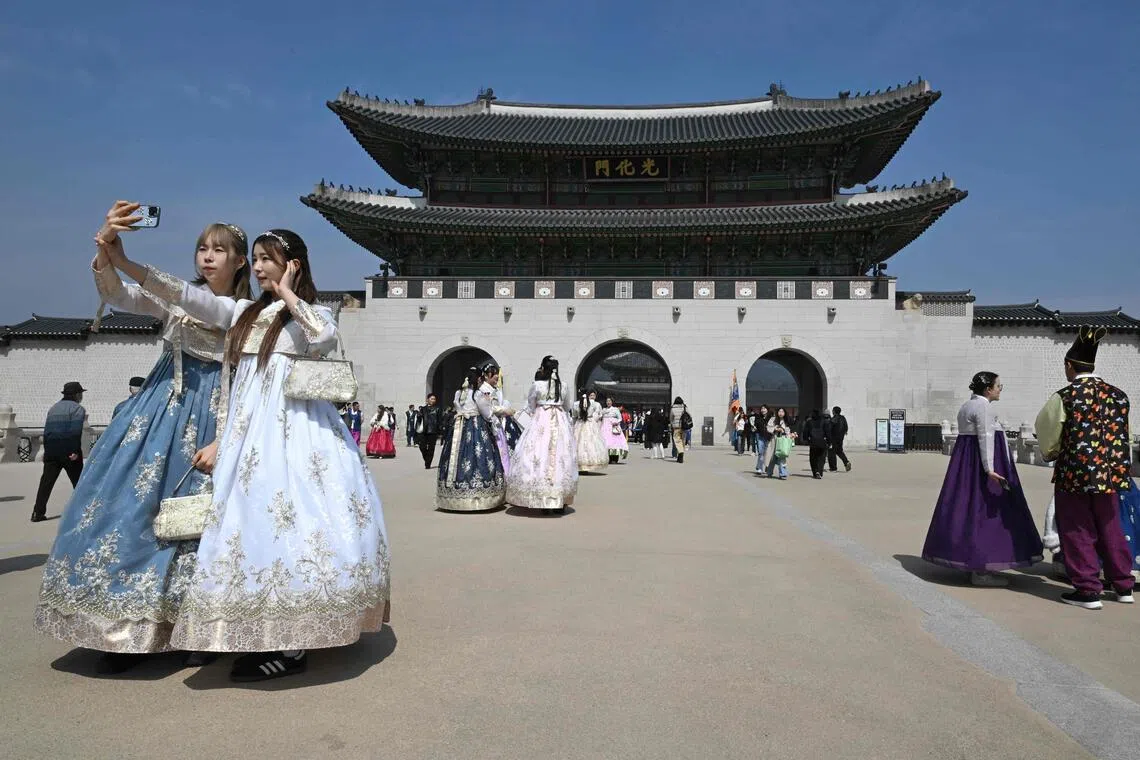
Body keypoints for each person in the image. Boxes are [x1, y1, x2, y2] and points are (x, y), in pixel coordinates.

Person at [156, 228, 390, 681]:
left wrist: (287, 294)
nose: (259, 267)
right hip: (249, 437)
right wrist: (124, 263)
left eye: (268, 260)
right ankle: (261, 624)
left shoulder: (312, 313)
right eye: (257, 260)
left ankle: (294, 644)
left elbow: (323, 339)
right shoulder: (245, 312)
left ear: (293, 265)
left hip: (299, 434)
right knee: (251, 525)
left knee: (298, 522)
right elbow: (189, 298)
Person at [34, 202, 250, 674]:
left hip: (214, 422)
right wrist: (105, 250)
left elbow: (197, 304)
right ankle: (123, 628)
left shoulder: (243, 311)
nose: (207, 257)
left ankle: (199, 626)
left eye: (220, 250)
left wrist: (130, 260)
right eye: (201, 248)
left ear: (240, 262)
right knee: (127, 510)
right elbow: (118, 296)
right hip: (157, 412)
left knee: (202, 527)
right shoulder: (176, 299)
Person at [1035, 326, 1134, 609]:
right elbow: (1124, 434)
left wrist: (1051, 452)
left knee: (1078, 528)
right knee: (1111, 526)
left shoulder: (1065, 396)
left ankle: (1088, 589)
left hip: (1075, 473)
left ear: (1069, 365)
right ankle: (1123, 585)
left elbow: (1046, 429)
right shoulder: (1119, 395)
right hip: (1111, 474)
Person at [923, 371, 1043, 587]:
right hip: (983, 466)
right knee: (986, 514)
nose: (1000, 389)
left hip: (966, 466)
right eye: (998, 386)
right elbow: (986, 438)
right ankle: (981, 569)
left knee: (965, 510)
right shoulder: (984, 407)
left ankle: (968, 560)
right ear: (988, 389)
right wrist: (990, 469)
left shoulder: (966, 406)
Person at [505, 356, 578, 512]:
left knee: (538, 454)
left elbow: (531, 406)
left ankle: (542, 499)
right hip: (559, 422)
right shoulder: (563, 386)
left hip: (541, 421)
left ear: (543, 369)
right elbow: (567, 406)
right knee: (561, 457)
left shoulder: (537, 385)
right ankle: (560, 499)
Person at [437, 365, 506, 511]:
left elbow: (457, 407)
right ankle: (480, 495)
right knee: (479, 456)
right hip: (475, 426)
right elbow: (486, 413)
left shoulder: (459, 392)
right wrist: (494, 421)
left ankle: (452, 494)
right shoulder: (477, 394)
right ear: (479, 378)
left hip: (459, 427)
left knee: (455, 456)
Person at [30, 381, 88, 522]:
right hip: (69, 452)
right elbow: (75, 432)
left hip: (51, 451)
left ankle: (38, 513)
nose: (81, 396)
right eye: (80, 393)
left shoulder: (53, 408)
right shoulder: (77, 409)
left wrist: (47, 452)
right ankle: (86, 512)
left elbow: (47, 432)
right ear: (76, 395)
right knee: (80, 483)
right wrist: (74, 451)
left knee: (46, 483)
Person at [573, 389, 608, 474]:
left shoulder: (576, 404)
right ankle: (588, 464)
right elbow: (598, 414)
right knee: (591, 443)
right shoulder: (595, 404)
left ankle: (578, 465)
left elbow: (574, 415)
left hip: (580, 423)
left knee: (578, 443)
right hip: (590, 423)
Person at [415, 393, 444, 468]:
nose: (433, 400)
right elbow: (419, 420)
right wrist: (418, 416)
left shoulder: (437, 409)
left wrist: (440, 430)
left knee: (431, 448)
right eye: (431, 399)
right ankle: (427, 458)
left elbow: (440, 420)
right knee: (422, 447)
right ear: (427, 400)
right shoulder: (423, 409)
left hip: (433, 431)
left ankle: (428, 464)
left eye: (434, 399)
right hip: (424, 431)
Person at [802, 410, 830, 479]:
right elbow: (827, 432)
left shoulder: (809, 422)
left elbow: (805, 432)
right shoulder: (824, 422)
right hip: (822, 442)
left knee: (813, 458)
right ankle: (820, 472)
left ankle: (815, 472)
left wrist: (806, 440)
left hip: (813, 442)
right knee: (821, 458)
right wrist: (829, 441)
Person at [601, 397, 628, 465]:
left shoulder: (615, 409)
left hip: (613, 427)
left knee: (615, 443)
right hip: (604, 428)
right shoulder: (603, 409)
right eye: (607, 401)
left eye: (609, 401)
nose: (608, 402)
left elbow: (620, 418)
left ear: (612, 402)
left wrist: (615, 422)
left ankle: (614, 459)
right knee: (606, 442)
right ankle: (607, 458)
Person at [828, 406, 852, 472]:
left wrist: (828, 437)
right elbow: (846, 427)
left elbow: (829, 429)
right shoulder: (843, 418)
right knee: (839, 451)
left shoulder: (833, 419)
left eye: (833, 410)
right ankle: (846, 462)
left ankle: (833, 468)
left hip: (833, 439)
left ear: (834, 411)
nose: (832, 412)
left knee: (831, 452)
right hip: (841, 438)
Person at [753, 404, 772, 474]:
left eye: (764, 408)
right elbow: (755, 425)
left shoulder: (771, 417)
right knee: (761, 452)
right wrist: (754, 428)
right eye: (762, 409)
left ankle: (766, 467)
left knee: (767, 453)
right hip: (760, 436)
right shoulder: (758, 417)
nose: (763, 410)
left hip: (768, 437)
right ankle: (760, 468)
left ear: (767, 409)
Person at [669, 397, 688, 464]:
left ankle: (680, 455)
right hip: (684, 427)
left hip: (676, 427)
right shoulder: (685, 408)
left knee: (677, 441)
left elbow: (671, 418)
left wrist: (672, 424)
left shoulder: (673, 409)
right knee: (682, 441)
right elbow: (689, 416)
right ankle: (680, 456)